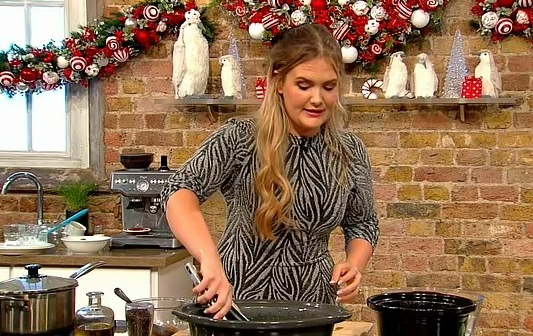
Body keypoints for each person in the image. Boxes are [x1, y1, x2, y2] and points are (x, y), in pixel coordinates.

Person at [160, 23, 379, 319]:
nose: (318, 98)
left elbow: (363, 222)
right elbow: (179, 191)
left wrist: (355, 264)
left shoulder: (349, 150)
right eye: (304, 85)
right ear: (278, 81)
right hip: (238, 304)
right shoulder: (240, 138)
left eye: (328, 86)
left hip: (314, 307)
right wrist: (208, 259)